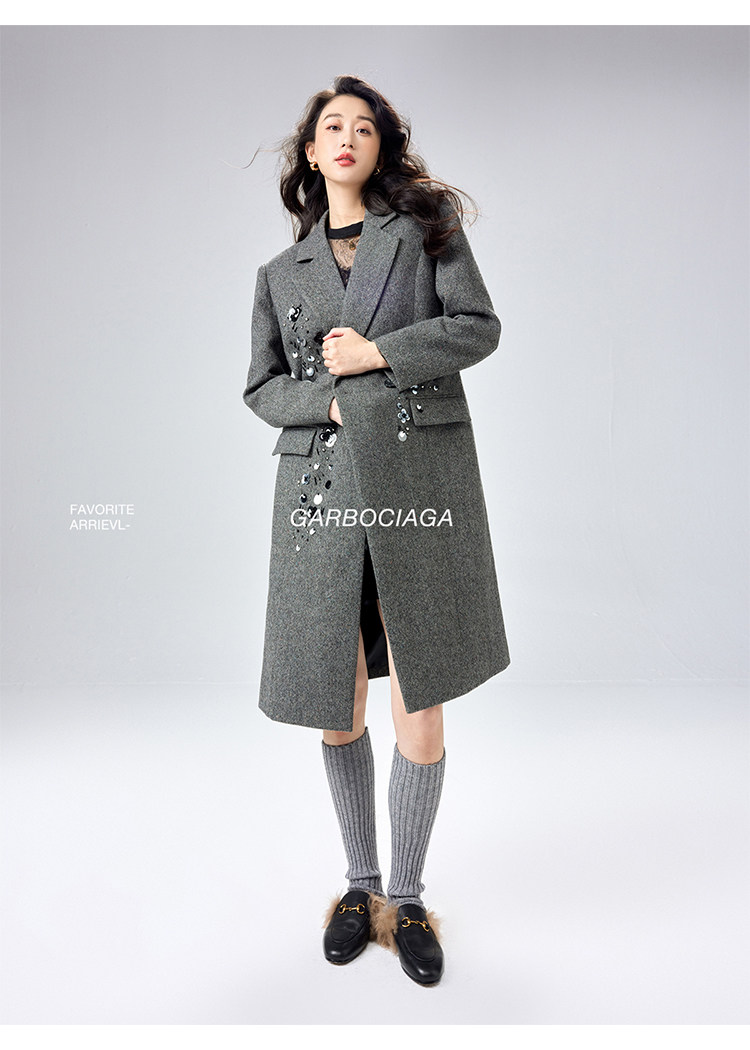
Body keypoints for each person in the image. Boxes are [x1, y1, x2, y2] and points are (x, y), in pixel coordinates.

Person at [243, 75, 510, 987]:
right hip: (321, 495)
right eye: (333, 127)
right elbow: (261, 387)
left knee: (420, 690)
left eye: (364, 127)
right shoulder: (280, 275)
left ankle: (407, 897)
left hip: (418, 483)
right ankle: (358, 888)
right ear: (312, 152)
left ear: (381, 147)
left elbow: (477, 327)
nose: (348, 137)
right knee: (339, 694)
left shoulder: (427, 231)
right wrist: (328, 399)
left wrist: (379, 354)